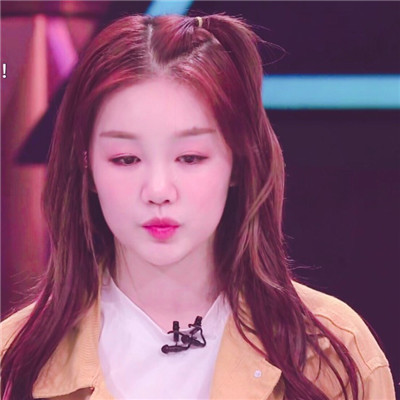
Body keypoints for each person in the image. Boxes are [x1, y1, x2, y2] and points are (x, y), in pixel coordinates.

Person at [0, 13, 395, 400]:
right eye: (126, 159)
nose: (158, 190)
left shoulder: (332, 354)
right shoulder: (14, 362)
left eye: (190, 157)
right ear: (87, 168)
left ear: (238, 162)